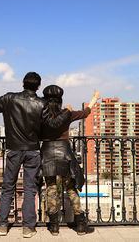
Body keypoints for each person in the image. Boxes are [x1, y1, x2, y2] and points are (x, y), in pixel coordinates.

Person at [0, 72, 72, 238]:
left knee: (8, 187)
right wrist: (67, 112)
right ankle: (28, 227)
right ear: (38, 87)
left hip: (13, 150)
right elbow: (53, 123)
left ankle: (2, 225)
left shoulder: (9, 98)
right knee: (29, 189)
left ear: (22, 83)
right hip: (33, 151)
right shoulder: (42, 103)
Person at [40, 85, 100, 236]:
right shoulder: (66, 114)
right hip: (64, 153)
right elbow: (85, 113)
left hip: (47, 153)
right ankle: (80, 225)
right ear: (60, 100)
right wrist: (94, 99)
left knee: (51, 188)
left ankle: (54, 226)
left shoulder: (40, 116)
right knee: (71, 188)